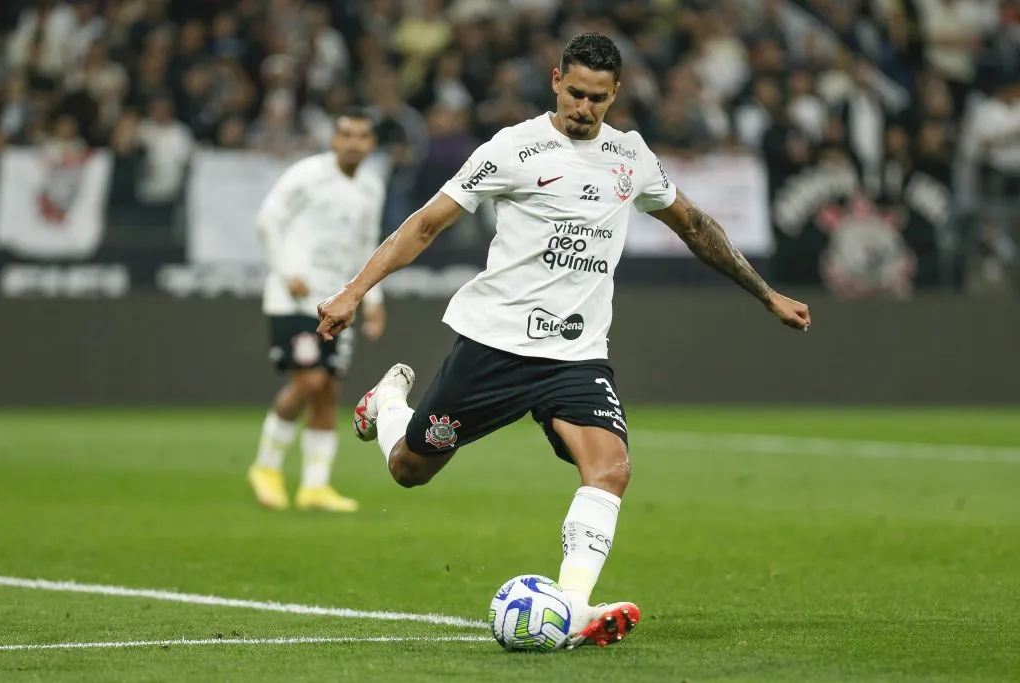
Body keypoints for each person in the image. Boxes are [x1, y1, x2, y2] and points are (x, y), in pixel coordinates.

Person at [317, 34, 811, 646]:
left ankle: (572, 608)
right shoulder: (515, 148)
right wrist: (352, 292)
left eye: (598, 98)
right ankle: (388, 405)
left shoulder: (630, 158)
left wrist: (766, 294)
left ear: (616, 95)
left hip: (576, 356)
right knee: (410, 470)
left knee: (610, 471)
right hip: (494, 346)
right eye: (575, 93)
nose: (584, 107)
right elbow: (424, 225)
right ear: (555, 81)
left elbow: (697, 226)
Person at [249, 108, 387, 513]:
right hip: (294, 298)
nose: (352, 142)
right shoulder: (306, 175)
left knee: (329, 390)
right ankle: (266, 466)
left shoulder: (371, 187)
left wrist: (373, 299)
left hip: (339, 300)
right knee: (309, 382)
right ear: (333, 139)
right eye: (345, 134)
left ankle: (315, 486)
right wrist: (287, 271)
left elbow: (369, 245)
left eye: (361, 136)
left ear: (371, 143)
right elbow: (267, 221)